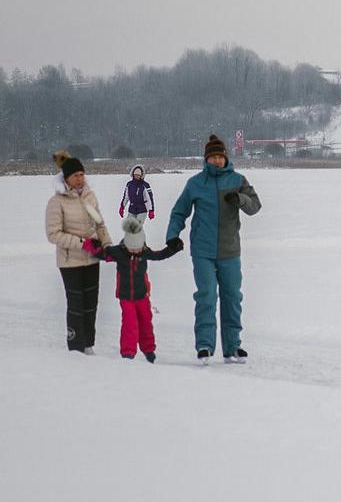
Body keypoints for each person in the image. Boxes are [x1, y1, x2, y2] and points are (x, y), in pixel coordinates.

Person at [165, 134, 262, 364]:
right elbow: (180, 211)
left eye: (220, 156)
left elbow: (255, 206)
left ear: (226, 157)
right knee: (206, 296)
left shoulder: (238, 180)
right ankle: (205, 346)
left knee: (232, 298)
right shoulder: (196, 183)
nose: (217, 161)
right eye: (213, 157)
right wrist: (172, 236)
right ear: (206, 159)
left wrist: (239, 198)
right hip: (203, 251)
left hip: (230, 251)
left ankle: (233, 347)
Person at [83, 216, 182, 362]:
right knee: (130, 323)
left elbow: (159, 255)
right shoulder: (118, 252)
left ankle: (149, 350)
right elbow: (103, 253)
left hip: (142, 295)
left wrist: (173, 249)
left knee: (146, 321)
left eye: (138, 248)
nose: (136, 251)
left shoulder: (144, 252)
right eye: (132, 248)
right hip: (125, 297)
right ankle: (128, 352)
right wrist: (93, 245)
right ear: (126, 244)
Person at [45, 151, 111, 354]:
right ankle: (75, 346)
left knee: (91, 303)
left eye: (82, 174)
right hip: (70, 261)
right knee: (76, 303)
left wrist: (107, 246)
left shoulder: (90, 196)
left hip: (92, 259)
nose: (80, 179)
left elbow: (100, 224)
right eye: (76, 175)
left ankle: (88, 343)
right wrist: (82, 243)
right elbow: (53, 234)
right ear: (66, 178)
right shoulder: (57, 202)